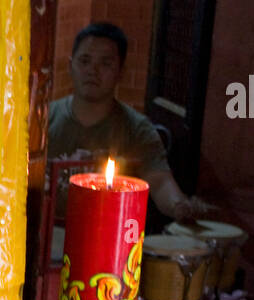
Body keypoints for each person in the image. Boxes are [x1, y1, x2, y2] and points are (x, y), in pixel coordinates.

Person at [48, 21, 207, 223]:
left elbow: (160, 182)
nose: (92, 71)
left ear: (121, 72)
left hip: (111, 234)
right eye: (84, 61)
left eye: (105, 64)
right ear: (70, 66)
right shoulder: (44, 119)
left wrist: (180, 206)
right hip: (51, 232)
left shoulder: (136, 128)